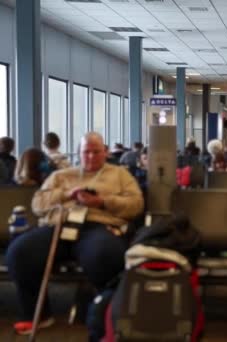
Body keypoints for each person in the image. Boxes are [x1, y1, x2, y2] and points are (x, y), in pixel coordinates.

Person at [6, 132, 144, 336]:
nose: (90, 157)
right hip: (59, 225)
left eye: (96, 152)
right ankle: (37, 313)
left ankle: (102, 311)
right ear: (79, 153)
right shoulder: (61, 176)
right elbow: (37, 205)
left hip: (97, 225)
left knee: (105, 255)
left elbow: (136, 205)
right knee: (19, 253)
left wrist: (103, 202)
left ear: (105, 152)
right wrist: (65, 194)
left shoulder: (120, 175)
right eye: (86, 152)